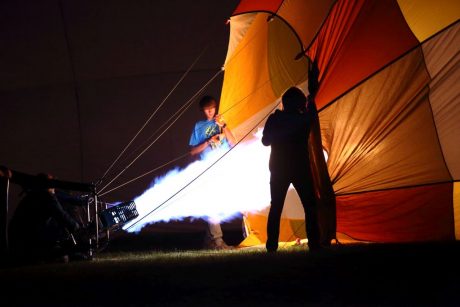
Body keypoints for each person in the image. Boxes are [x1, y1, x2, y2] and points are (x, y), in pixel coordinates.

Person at [262, 87, 320, 252]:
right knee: (309, 205)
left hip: (278, 168)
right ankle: (314, 244)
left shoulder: (274, 119)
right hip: (300, 167)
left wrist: (277, 133)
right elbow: (313, 117)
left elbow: (265, 141)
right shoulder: (302, 119)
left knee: (276, 207)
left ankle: (271, 246)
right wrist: (311, 98)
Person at [189, 95, 236, 250]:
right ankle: (217, 241)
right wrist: (208, 141)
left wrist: (224, 126)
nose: (210, 111)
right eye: (207, 109)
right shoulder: (199, 126)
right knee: (214, 203)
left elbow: (233, 142)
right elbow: (193, 151)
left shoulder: (221, 122)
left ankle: (208, 241)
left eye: (212, 108)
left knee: (219, 203)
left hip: (225, 166)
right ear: (203, 110)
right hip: (209, 168)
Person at [8, 173, 86, 263]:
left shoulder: (31, 196)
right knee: (64, 256)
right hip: (29, 244)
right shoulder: (47, 197)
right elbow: (63, 216)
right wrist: (79, 228)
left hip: (17, 243)